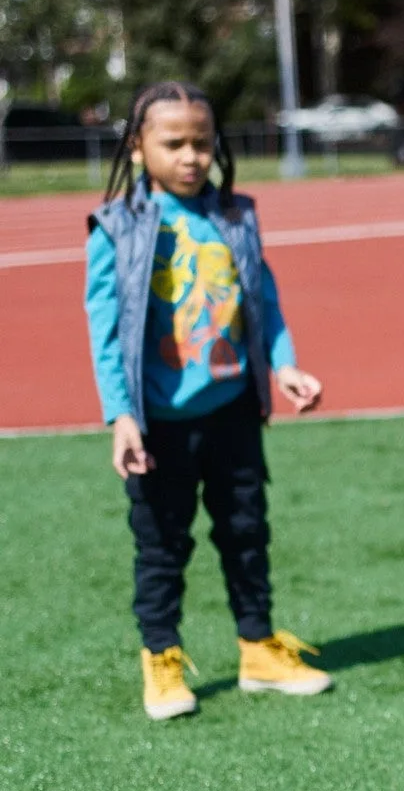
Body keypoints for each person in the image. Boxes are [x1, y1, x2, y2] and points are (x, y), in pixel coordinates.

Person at [84, 81, 332, 720]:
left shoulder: (234, 216)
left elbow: (264, 302)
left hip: (231, 414)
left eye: (202, 142)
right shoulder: (116, 229)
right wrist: (122, 416)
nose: (192, 156)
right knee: (162, 546)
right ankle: (161, 660)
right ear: (138, 148)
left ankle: (257, 649)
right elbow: (106, 335)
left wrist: (284, 366)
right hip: (159, 425)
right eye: (174, 144)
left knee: (247, 532)